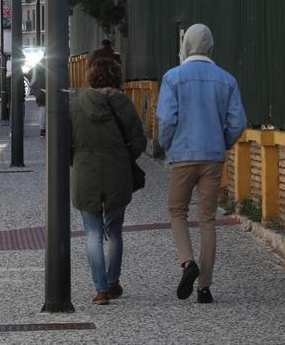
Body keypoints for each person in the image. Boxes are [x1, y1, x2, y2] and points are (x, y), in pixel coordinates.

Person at [157, 23, 247, 305]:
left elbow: (167, 120)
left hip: (183, 155)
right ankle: (205, 288)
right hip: (212, 156)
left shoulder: (173, 78)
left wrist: (167, 144)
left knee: (177, 212)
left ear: (186, 45)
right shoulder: (226, 79)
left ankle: (187, 262)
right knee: (208, 219)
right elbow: (238, 122)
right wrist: (223, 143)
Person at [70, 57, 146, 306]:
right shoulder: (124, 104)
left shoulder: (77, 104)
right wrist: (123, 158)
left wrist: (79, 161)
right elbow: (138, 141)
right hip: (117, 175)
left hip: (86, 174)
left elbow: (66, 143)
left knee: (92, 233)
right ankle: (113, 283)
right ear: (117, 77)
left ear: (90, 76)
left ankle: (100, 289)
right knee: (114, 232)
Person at [31, 59, 47, 138]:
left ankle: (42, 129)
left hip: (40, 92)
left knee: (42, 110)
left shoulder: (37, 65)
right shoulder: (51, 64)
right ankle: (47, 129)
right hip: (48, 91)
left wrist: (36, 91)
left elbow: (32, 81)